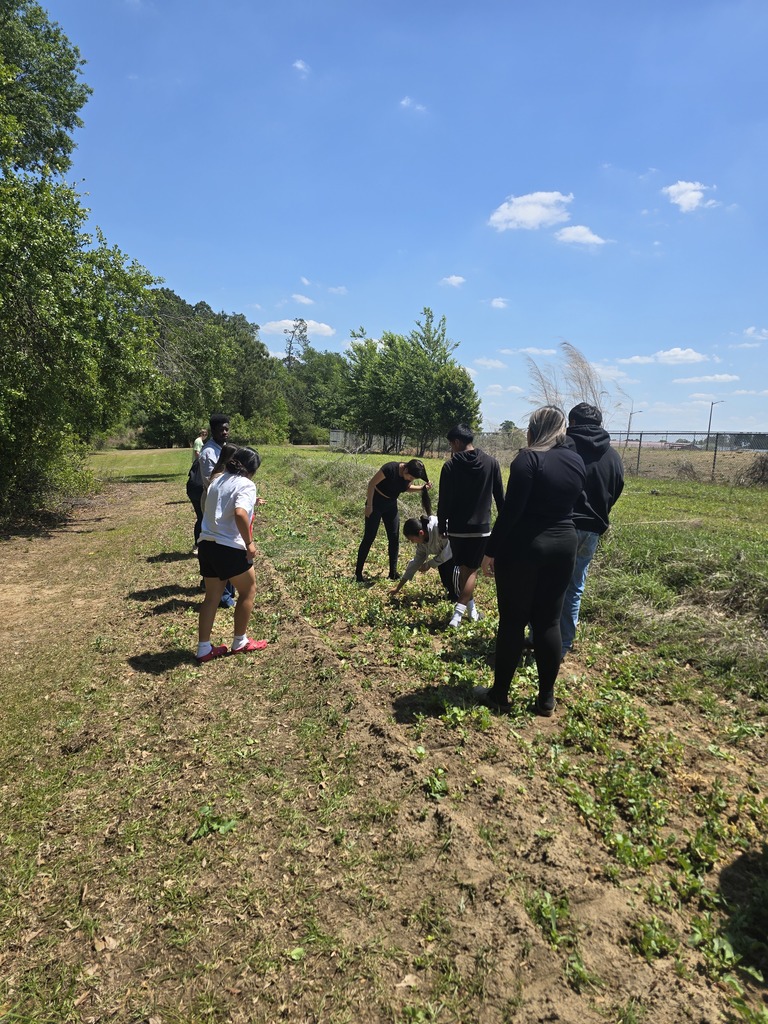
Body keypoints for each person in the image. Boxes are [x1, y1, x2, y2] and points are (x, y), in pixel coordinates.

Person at [473, 406, 586, 716]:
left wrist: (490, 551)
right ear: (562, 430)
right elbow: (581, 503)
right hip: (564, 544)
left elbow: (511, 512)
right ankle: (546, 699)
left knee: (512, 622)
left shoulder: (528, 458)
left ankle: (499, 695)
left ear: (533, 430)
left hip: (524, 547)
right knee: (549, 621)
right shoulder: (576, 460)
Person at [559, 403, 624, 656]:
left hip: (562, 525)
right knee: (574, 587)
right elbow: (616, 487)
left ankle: (539, 637)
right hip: (592, 529)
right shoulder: (612, 455)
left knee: (548, 584)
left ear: (572, 423)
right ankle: (564, 643)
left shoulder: (563, 446)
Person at [196, 446, 266, 663]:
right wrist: (250, 543)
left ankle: (204, 648)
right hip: (229, 548)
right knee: (248, 590)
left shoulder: (218, 480)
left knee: (211, 597)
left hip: (207, 544)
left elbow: (221, 505)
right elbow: (239, 513)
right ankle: (240, 641)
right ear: (252, 470)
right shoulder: (247, 484)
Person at [437, 424, 504, 628]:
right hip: (481, 529)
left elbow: (444, 501)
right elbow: (500, 498)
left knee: (467, 571)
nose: (451, 448)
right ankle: (459, 615)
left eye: (451, 444)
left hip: (457, 529)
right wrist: (505, 526)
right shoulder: (492, 463)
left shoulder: (450, 466)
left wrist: (442, 525)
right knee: (470, 571)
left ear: (457, 442)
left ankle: (468, 611)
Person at [355, 459, 432, 582]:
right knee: (369, 537)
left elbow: (405, 488)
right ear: (405, 469)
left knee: (394, 537)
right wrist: (369, 506)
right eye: (410, 477)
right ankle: (358, 574)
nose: (410, 480)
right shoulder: (390, 469)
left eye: (413, 479)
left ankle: (393, 573)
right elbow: (371, 484)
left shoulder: (407, 477)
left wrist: (422, 488)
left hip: (391, 505)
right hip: (376, 503)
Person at [195, 414, 236, 608]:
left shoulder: (224, 448)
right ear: (213, 431)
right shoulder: (208, 453)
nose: (225, 432)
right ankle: (222, 595)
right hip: (213, 502)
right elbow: (210, 485)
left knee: (225, 543)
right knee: (219, 544)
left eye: (227, 428)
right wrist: (224, 461)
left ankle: (222, 588)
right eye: (221, 429)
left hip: (225, 501)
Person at [390, 515, 461, 603]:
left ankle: (460, 599)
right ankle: (451, 595)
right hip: (445, 553)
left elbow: (449, 551)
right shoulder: (421, 543)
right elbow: (415, 563)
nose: (412, 542)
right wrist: (398, 588)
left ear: (421, 533)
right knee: (443, 571)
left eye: (412, 539)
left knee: (452, 572)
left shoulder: (438, 528)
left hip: (458, 549)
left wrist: (429, 564)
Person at [186, 427, 209, 554]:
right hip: (199, 490)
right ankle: (199, 545)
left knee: (201, 517)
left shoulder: (198, 462)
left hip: (192, 490)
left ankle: (199, 545)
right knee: (203, 518)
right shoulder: (208, 462)